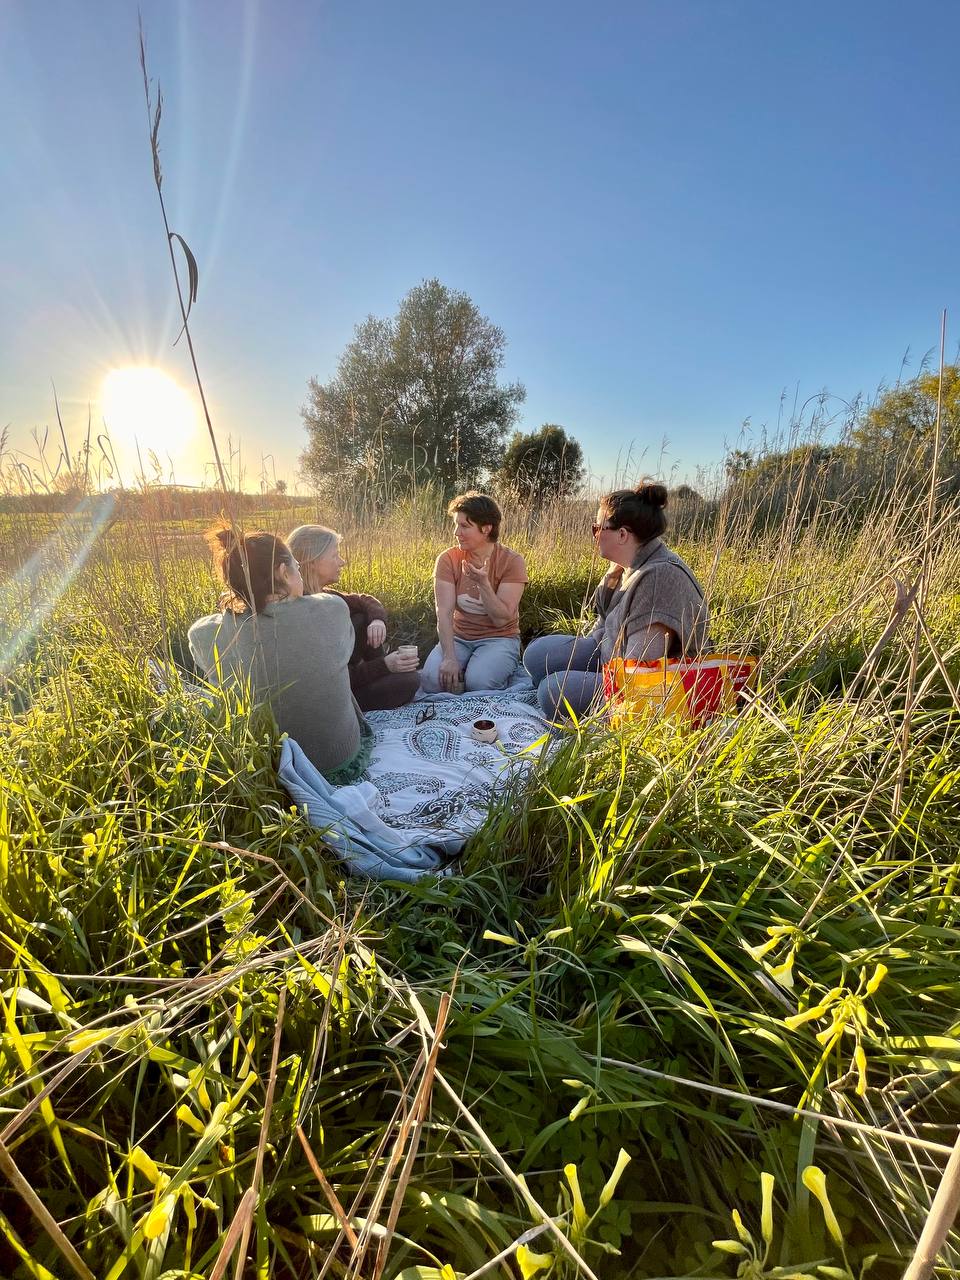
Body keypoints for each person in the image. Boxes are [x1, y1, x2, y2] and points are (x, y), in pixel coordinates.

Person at [188, 523, 371, 783]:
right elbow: (342, 650)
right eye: (296, 566)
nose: (300, 573)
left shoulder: (207, 633)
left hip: (268, 772)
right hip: (339, 761)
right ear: (284, 572)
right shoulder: (332, 608)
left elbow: (203, 644)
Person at [523, 482, 710, 721]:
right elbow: (602, 623)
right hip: (609, 654)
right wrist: (583, 656)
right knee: (535, 656)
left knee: (551, 690)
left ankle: (591, 712)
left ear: (622, 535)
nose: (594, 535)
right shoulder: (629, 563)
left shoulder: (658, 579)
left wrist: (580, 678)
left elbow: (639, 671)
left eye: (598, 528)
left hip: (637, 684)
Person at [286, 524, 420, 712]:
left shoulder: (328, 596)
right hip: (333, 696)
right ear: (313, 561)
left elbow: (364, 600)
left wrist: (377, 621)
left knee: (362, 616)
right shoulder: (308, 612)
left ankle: (385, 673)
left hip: (352, 679)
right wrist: (384, 665)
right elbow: (335, 677)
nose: (342, 562)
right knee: (410, 681)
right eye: (334, 556)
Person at [420, 492, 528, 694]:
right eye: (456, 524)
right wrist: (449, 658)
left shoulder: (512, 561)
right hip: (459, 637)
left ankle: (499, 666)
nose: (456, 532)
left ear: (486, 528)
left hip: (499, 638)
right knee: (431, 681)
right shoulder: (448, 559)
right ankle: (467, 669)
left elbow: (501, 619)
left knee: (479, 684)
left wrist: (483, 584)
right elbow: (443, 613)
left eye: (464, 526)